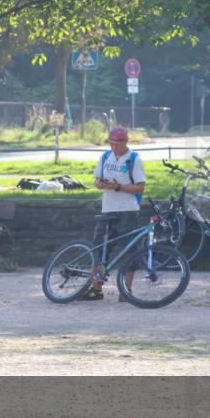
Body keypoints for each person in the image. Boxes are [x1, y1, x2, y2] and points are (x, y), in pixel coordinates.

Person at [82, 125, 146, 301]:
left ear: (125, 141)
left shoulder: (134, 159)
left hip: (128, 210)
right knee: (99, 248)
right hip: (107, 209)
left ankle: (126, 290)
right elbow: (96, 179)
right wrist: (100, 183)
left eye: (118, 143)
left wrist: (118, 187)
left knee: (130, 250)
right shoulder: (104, 157)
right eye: (111, 143)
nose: (114, 147)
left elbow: (140, 187)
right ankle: (96, 289)